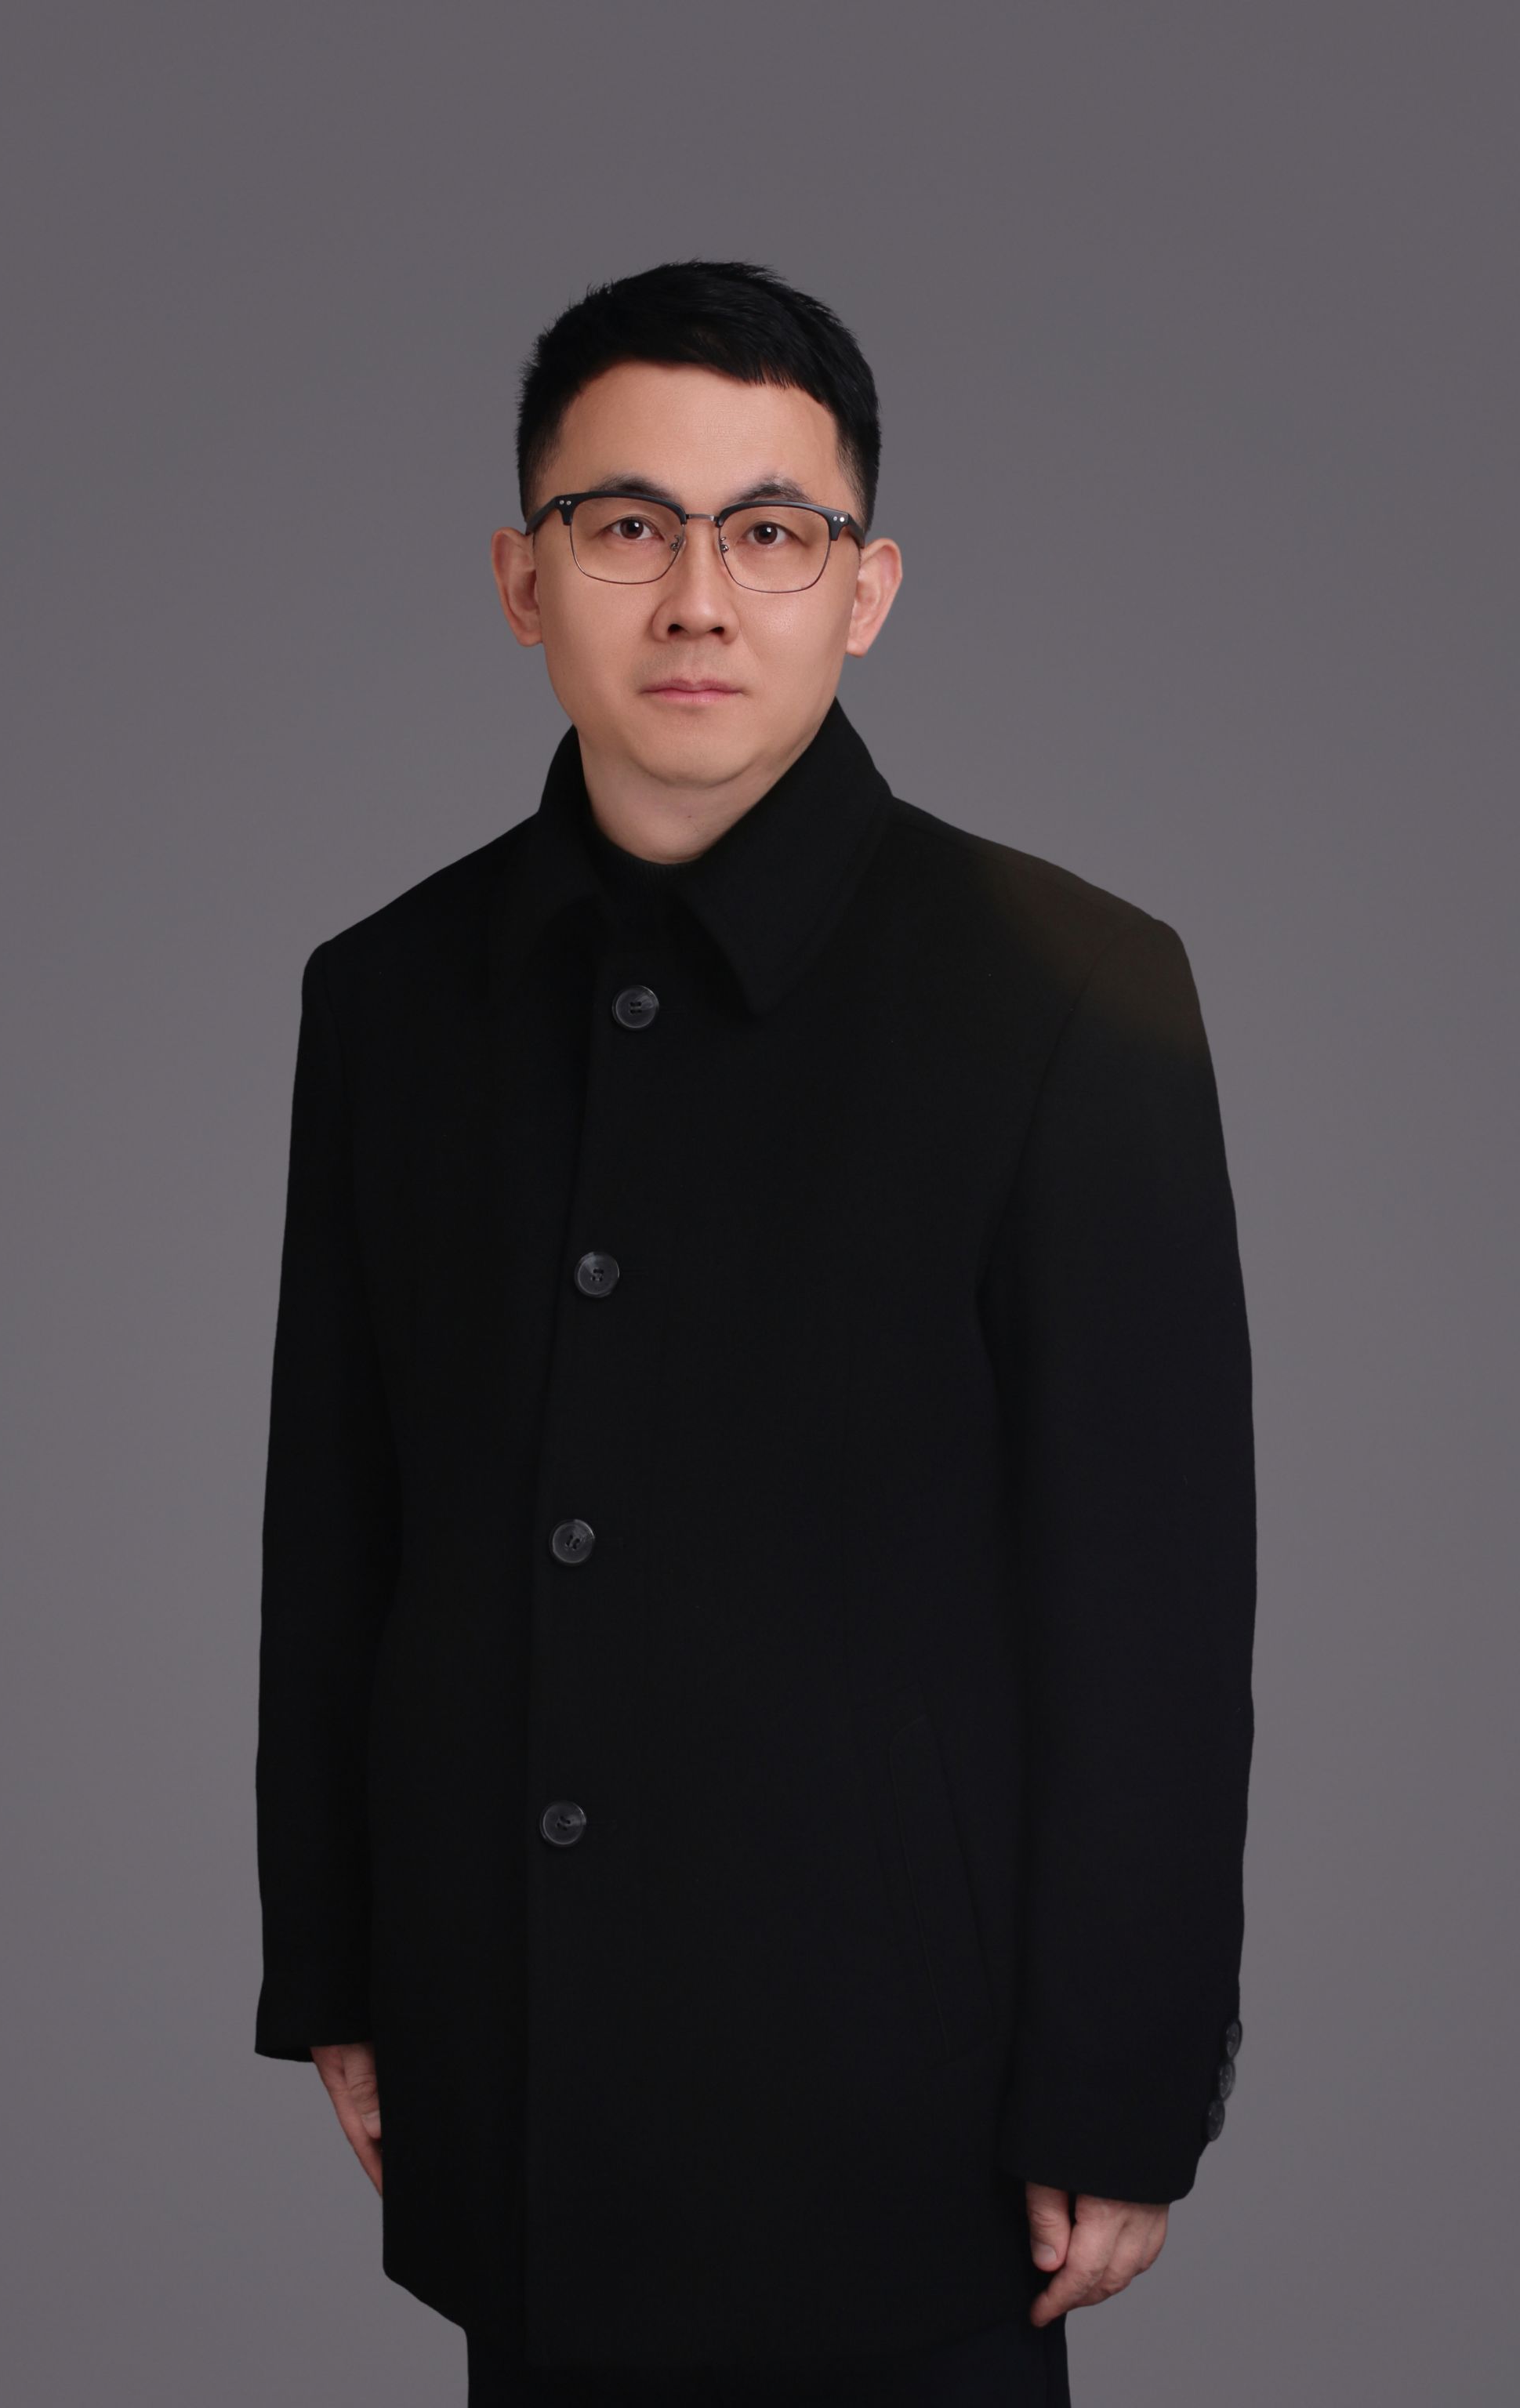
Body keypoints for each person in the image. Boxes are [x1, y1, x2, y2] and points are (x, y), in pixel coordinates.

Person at [253, 259, 1256, 2404]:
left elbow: (1154, 1606)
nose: (698, 599)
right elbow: (337, 1521)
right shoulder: (392, 994)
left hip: (903, 2094)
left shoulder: (1074, 994)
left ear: (864, 588)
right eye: (628, 526)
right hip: (512, 2048)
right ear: (524, 580)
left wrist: (1121, 2084)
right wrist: (339, 1966)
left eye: (771, 532)